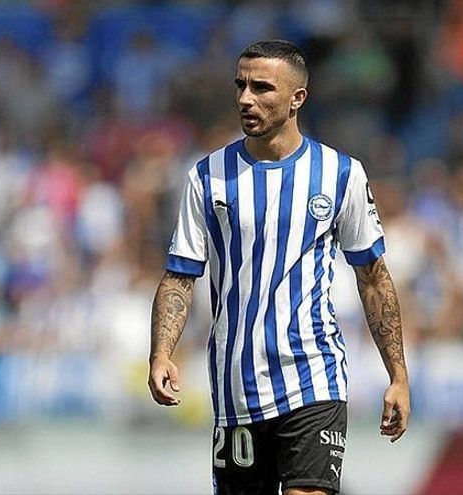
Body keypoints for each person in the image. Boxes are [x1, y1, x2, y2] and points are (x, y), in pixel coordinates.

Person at [148, 40, 410, 495]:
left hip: (314, 373)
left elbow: (372, 278)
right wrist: (161, 352)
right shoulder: (207, 176)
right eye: (241, 85)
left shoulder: (340, 174)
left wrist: (398, 376)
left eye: (262, 87)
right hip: (236, 385)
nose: (246, 98)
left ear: (297, 99)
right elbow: (180, 276)